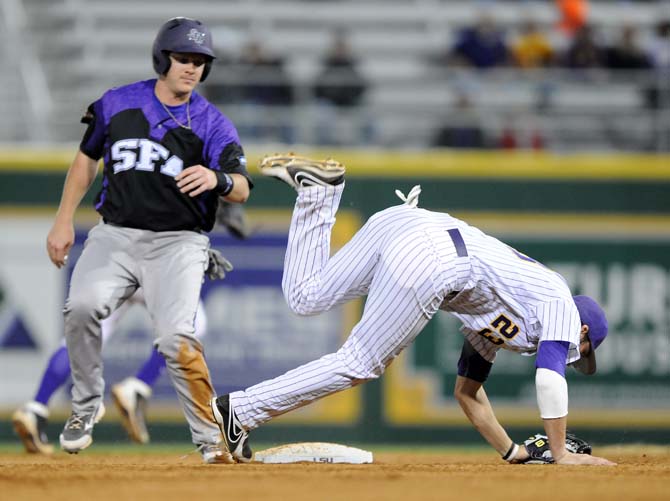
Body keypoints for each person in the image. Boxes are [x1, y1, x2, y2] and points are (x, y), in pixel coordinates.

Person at [210, 153, 615, 466]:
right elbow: (549, 378)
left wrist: (513, 452)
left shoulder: (510, 317)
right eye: (583, 351)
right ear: (583, 333)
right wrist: (561, 453)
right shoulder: (561, 303)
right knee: (360, 362)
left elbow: (468, 393)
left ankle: (319, 194)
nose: (576, 357)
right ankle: (240, 410)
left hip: (407, 224)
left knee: (306, 296)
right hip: (436, 255)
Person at [45, 17, 252, 464]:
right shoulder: (117, 103)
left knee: (179, 337)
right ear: (163, 58)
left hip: (178, 243)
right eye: (183, 58)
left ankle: (211, 439)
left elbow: (241, 187)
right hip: (115, 235)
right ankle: (84, 408)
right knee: (81, 309)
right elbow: (85, 162)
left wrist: (217, 177)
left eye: (200, 62)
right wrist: (63, 220)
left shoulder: (213, 123)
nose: (192, 68)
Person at [12, 290, 208, 453]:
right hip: (156, 263)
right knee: (193, 325)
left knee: (81, 338)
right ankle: (138, 386)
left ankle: (35, 408)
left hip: (114, 264)